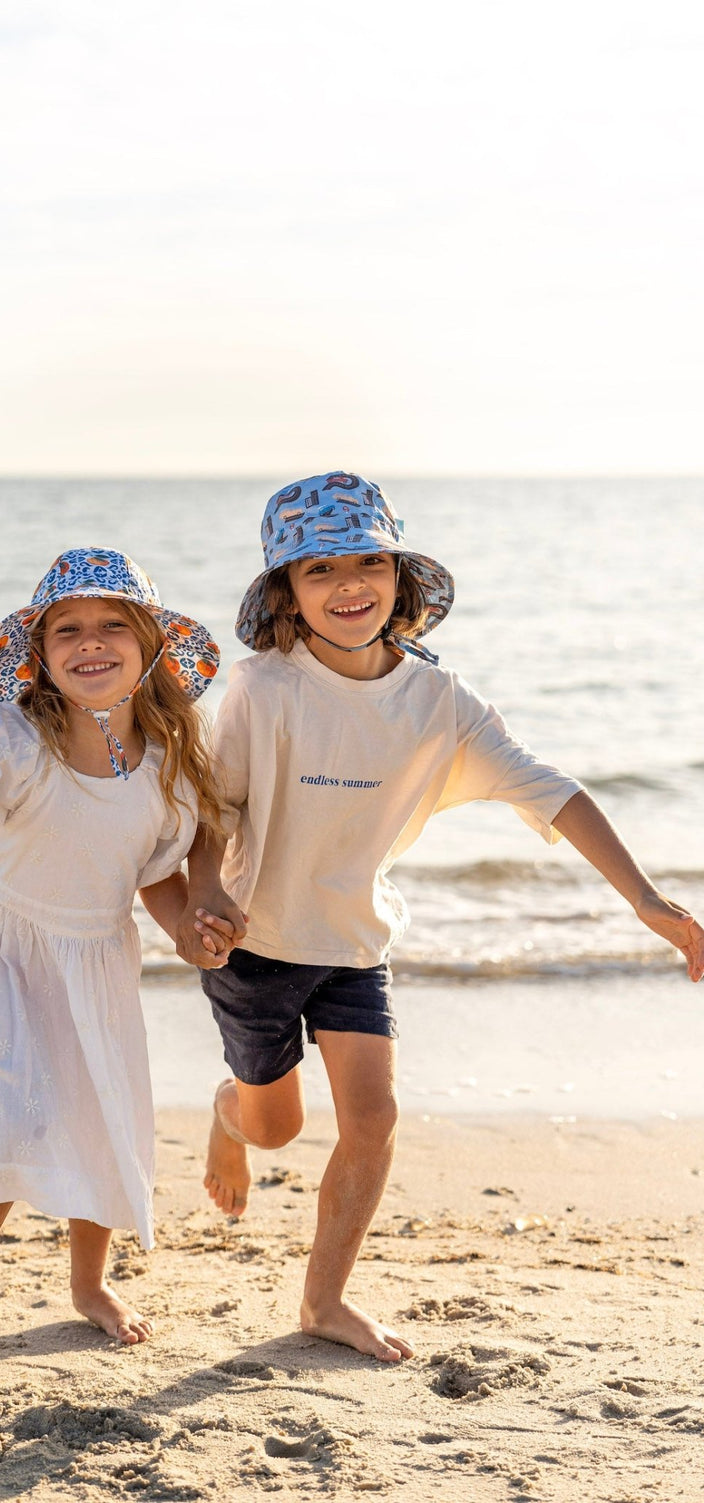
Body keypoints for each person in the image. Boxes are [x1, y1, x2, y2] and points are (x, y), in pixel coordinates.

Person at [178, 470, 704, 1364]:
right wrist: (206, 894)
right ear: (286, 594)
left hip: (352, 939)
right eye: (320, 569)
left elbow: (552, 789)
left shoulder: (440, 702)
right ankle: (230, 1111)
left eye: (370, 561)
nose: (350, 584)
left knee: (374, 1117)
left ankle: (324, 1300)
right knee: (277, 1127)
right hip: (254, 943)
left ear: (401, 578)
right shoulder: (264, 689)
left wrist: (647, 898)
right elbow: (206, 812)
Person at [0, 548, 233, 1357]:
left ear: (151, 648)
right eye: (67, 628)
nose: (90, 640)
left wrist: (189, 930)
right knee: (12, 1109)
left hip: (98, 955)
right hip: (6, 947)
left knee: (100, 1112)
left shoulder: (169, 762)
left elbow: (157, 876)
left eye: (113, 624)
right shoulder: (13, 738)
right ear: (40, 657)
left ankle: (88, 1280)